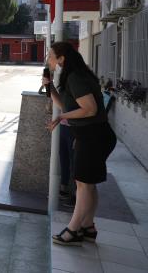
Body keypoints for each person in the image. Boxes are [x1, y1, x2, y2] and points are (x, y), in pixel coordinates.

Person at [45, 42, 117, 246]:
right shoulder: (74, 76)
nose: (48, 59)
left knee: (83, 185)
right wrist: (49, 86)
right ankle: (88, 227)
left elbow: (90, 109)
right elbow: (65, 105)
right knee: (86, 184)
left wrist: (61, 118)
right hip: (91, 135)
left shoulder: (76, 77)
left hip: (93, 136)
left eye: (51, 55)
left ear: (61, 58)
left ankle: (73, 230)